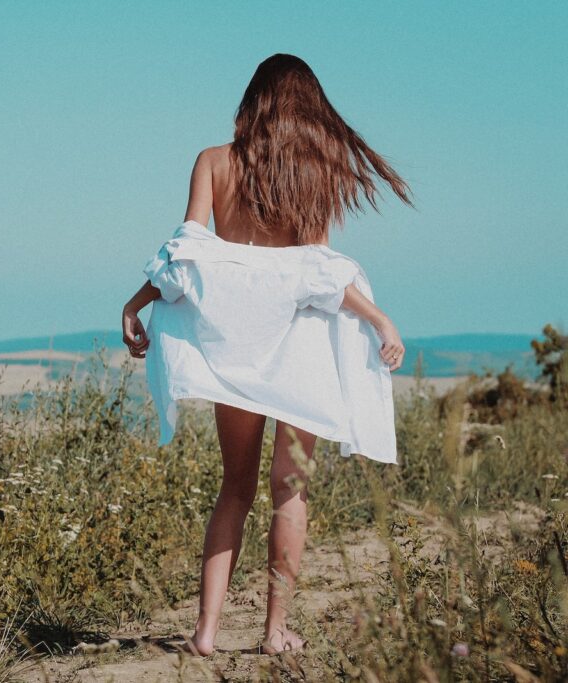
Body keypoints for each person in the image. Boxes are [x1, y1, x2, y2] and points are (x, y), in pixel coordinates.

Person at [120, 54, 414, 657]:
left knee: (235, 486)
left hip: (233, 344)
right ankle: (274, 630)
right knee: (290, 491)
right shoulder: (318, 170)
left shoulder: (213, 162)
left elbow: (188, 253)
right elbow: (320, 272)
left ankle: (205, 631)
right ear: (310, 109)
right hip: (298, 345)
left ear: (251, 100)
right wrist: (379, 316)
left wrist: (137, 301)